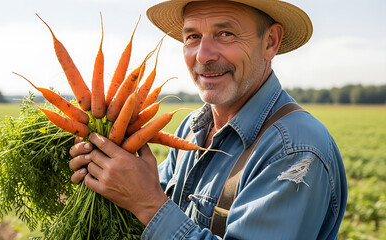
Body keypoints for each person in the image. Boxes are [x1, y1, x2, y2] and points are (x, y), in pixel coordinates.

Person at [69, 0, 348, 239]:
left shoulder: (296, 151)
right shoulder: (192, 129)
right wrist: (106, 172)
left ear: (270, 42)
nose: (203, 55)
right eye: (192, 36)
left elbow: (151, 207)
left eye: (225, 33)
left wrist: (147, 204)